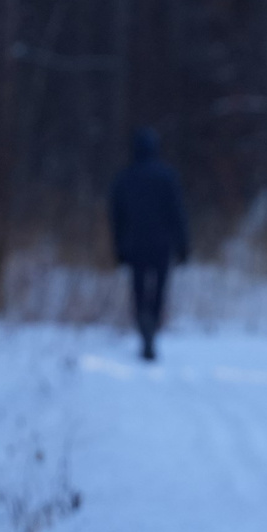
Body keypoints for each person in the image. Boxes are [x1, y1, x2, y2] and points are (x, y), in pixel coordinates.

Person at [108, 127, 190, 362]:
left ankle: (146, 332)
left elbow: (117, 217)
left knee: (139, 290)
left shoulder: (125, 177)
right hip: (162, 245)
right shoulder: (167, 177)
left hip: (135, 244)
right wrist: (183, 245)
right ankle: (151, 331)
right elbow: (177, 214)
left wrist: (119, 247)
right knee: (159, 290)